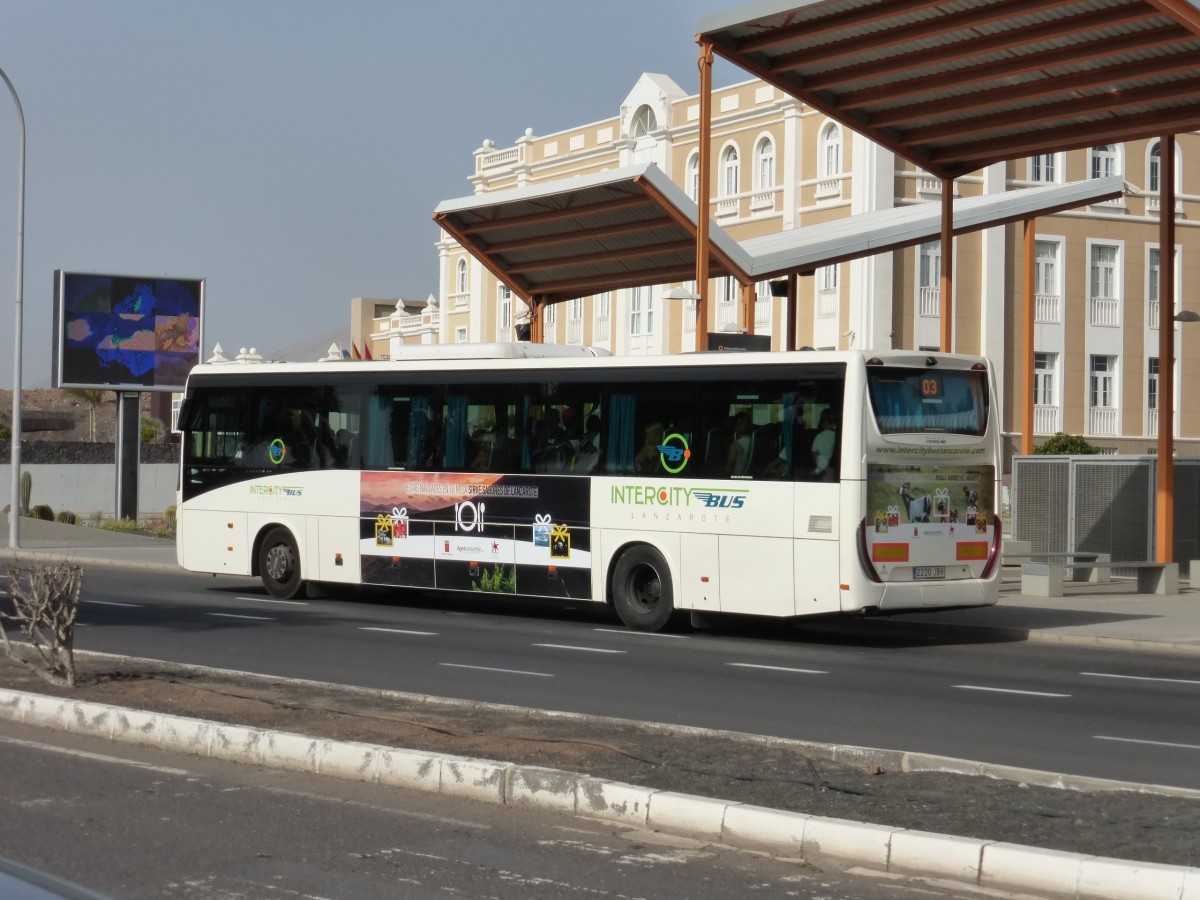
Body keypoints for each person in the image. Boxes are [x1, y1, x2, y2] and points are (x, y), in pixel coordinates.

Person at [811, 410, 838, 481]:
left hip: (824, 474)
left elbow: (814, 454)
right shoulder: (843, 436)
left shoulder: (819, 437)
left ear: (825, 422)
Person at [725, 411, 753, 477]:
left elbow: (728, 468)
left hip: (737, 477)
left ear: (735, 426)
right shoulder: (755, 441)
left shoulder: (735, 445)